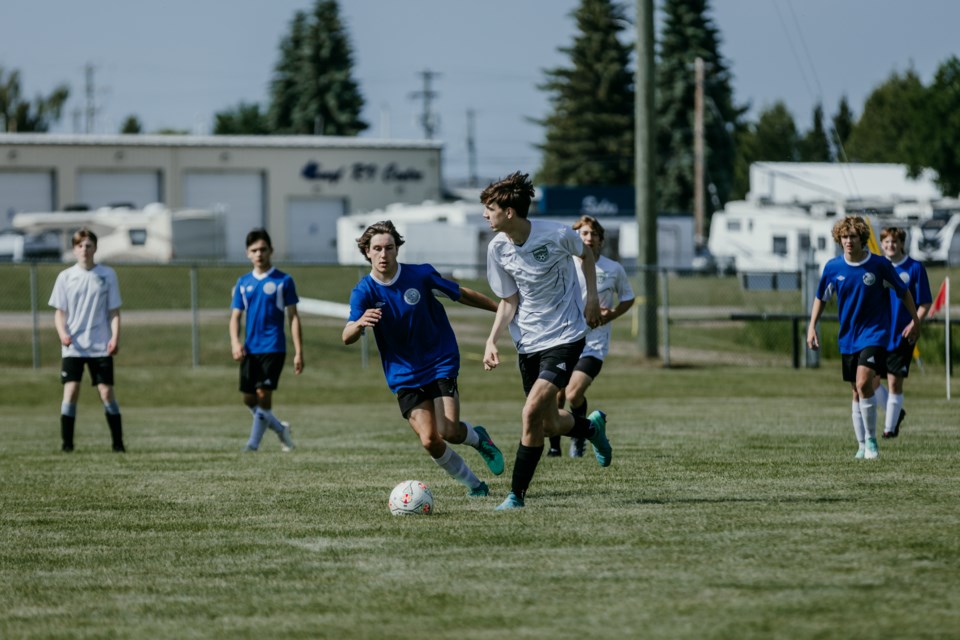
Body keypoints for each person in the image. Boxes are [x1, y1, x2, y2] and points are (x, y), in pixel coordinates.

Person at [342, 220, 505, 498]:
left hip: (439, 359)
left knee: (450, 430)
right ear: (367, 252)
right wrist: (358, 324)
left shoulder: (420, 276)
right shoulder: (364, 291)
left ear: (397, 249)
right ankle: (475, 486)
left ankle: (479, 439)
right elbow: (346, 335)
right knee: (430, 440)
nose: (384, 255)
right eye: (377, 249)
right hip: (403, 372)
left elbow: (461, 293)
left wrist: (502, 309)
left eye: (389, 248)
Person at [481, 171, 610, 510]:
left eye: (490, 208)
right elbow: (509, 301)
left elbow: (585, 256)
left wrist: (591, 298)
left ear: (509, 212)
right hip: (528, 342)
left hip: (566, 336)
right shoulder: (496, 249)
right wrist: (492, 340)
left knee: (529, 413)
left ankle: (516, 496)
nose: (485, 214)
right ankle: (590, 429)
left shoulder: (555, 234)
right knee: (548, 421)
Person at [806, 216, 920, 460]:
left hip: (875, 334)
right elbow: (821, 298)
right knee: (856, 392)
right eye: (844, 237)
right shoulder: (833, 268)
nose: (848, 241)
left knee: (863, 382)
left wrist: (915, 321)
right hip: (848, 336)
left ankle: (871, 441)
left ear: (862, 239)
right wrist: (812, 326)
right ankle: (860, 444)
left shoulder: (879, 265)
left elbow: (903, 292)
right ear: (839, 239)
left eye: (853, 237)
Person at [547, 215, 635, 458]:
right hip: (565, 338)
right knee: (557, 394)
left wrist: (611, 314)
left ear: (601, 240)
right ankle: (554, 448)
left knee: (574, 393)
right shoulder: (567, 264)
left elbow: (628, 297)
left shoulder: (613, 268)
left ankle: (580, 435)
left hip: (594, 343)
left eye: (592, 234)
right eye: (583, 233)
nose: (588, 238)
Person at [49, 228, 126, 452]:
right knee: (71, 392)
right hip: (73, 347)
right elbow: (59, 312)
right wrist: (63, 333)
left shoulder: (107, 275)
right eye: (80, 245)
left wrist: (114, 338)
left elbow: (114, 311)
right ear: (74, 249)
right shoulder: (65, 277)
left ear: (95, 248)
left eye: (88, 245)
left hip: (100, 345)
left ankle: (118, 444)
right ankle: (67, 445)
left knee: (106, 392)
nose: (84, 249)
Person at [230, 228, 301, 452]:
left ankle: (252, 445)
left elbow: (293, 317)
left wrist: (298, 351)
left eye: (263, 249)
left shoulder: (284, 280)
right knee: (249, 399)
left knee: (263, 394)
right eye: (254, 250)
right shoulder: (242, 283)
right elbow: (235, 317)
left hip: (273, 347)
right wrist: (235, 342)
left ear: (271, 251)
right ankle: (280, 429)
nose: (259, 253)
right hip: (250, 349)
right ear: (247, 254)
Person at [871, 226, 932, 438]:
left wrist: (915, 323)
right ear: (882, 244)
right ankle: (896, 412)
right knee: (871, 379)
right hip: (878, 333)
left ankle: (889, 430)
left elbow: (924, 302)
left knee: (894, 381)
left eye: (894, 242)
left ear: (902, 244)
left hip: (903, 334)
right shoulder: (877, 267)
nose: (890, 245)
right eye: (886, 242)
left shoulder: (914, 268)